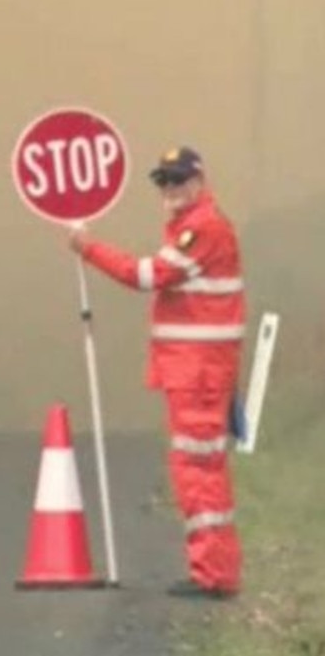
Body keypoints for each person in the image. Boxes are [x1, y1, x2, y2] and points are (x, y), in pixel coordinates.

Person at [68, 146, 245, 600]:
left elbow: (148, 275)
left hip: (199, 373)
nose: (169, 189)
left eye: (178, 179)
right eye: (163, 181)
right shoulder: (193, 226)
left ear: (198, 182)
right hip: (196, 371)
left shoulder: (202, 228)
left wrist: (88, 248)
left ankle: (213, 575)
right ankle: (214, 571)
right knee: (198, 466)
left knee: (197, 468)